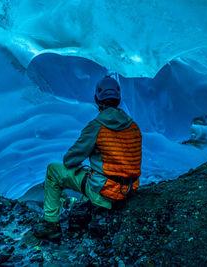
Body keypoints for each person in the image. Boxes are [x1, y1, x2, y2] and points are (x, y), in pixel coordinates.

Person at [34, 75, 142, 240]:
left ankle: (50, 224)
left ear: (97, 100)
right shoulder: (133, 126)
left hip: (107, 195)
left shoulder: (96, 127)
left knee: (53, 171)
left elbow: (69, 160)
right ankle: (86, 209)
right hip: (129, 190)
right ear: (118, 99)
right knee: (94, 172)